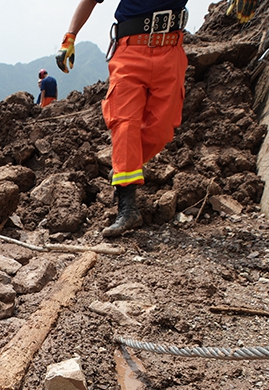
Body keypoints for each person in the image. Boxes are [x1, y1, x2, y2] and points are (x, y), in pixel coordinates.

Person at [56, 0, 188, 237]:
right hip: (131, 51)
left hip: (171, 50)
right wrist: (70, 36)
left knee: (162, 131)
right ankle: (127, 209)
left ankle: (124, 166)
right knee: (125, 123)